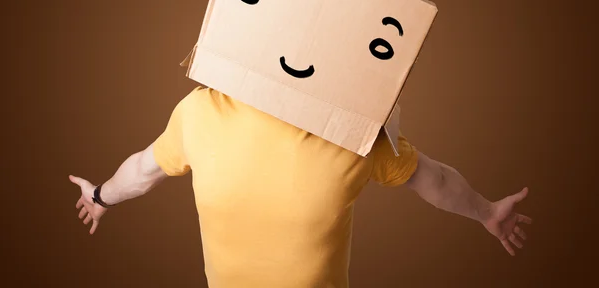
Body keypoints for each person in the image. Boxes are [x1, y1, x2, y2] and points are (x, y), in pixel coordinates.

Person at [70, 86, 532, 287]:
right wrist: (99, 196)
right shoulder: (202, 111)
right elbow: (435, 179)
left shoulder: (202, 110)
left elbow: (141, 170)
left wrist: (100, 196)